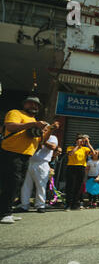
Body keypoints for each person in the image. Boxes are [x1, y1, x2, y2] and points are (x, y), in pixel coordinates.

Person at [0, 96, 59, 224]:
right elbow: (10, 126)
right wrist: (33, 124)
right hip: (11, 153)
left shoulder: (34, 121)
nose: (34, 106)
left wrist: (49, 130)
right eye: (31, 103)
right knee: (11, 183)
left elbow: (41, 141)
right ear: (24, 104)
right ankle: (4, 213)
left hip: (26, 156)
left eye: (37, 105)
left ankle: (7, 211)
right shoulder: (15, 113)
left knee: (16, 184)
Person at [19, 124, 59, 213]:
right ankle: (24, 205)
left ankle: (40, 205)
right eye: (42, 128)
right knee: (26, 185)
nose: (43, 130)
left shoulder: (52, 137)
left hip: (42, 164)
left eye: (46, 129)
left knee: (40, 185)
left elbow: (53, 147)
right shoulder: (34, 136)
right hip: (30, 162)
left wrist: (43, 140)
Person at [65, 135, 94, 210]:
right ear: (76, 141)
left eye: (82, 141)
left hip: (81, 167)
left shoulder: (85, 149)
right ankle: (68, 204)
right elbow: (71, 154)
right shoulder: (70, 147)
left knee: (78, 186)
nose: (81, 142)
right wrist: (77, 146)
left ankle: (75, 204)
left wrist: (88, 144)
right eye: (80, 140)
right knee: (70, 186)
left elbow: (93, 153)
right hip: (71, 167)